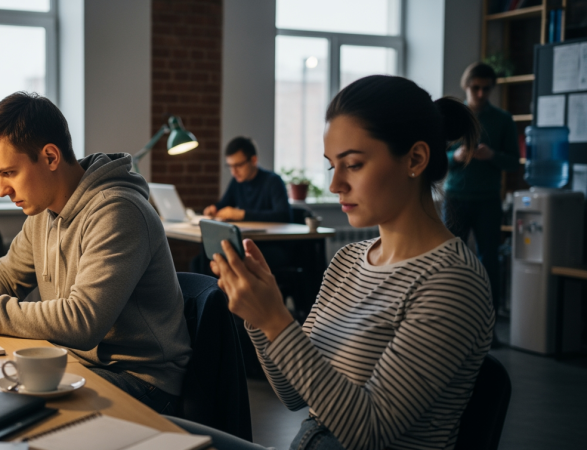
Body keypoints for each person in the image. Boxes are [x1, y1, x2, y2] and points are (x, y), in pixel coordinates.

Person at [169, 76, 495, 450]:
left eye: (353, 164)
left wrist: (277, 321)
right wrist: (261, 317)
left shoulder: (452, 281)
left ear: (416, 159)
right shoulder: (348, 260)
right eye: (331, 167)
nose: (335, 184)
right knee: (156, 431)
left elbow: (368, 431)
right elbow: (293, 394)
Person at [0, 92, 192, 414]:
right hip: (71, 359)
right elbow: (8, 273)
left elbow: (82, 322)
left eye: (9, 173)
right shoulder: (43, 212)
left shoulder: (118, 211)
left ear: (49, 157)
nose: (2, 190)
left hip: (142, 381)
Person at [443, 62, 519, 336]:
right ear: (466, 86)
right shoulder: (453, 117)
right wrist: (456, 157)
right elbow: (434, 158)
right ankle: (448, 324)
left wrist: (492, 156)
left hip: (488, 200)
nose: (480, 93)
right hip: (455, 198)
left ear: (492, 89)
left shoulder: (503, 120)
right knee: (449, 261)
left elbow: (514, 163)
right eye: (475, 87)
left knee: (490, 263)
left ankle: (489, 330)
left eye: (486, 88)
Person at [203, 136, 291, 223]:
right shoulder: (237, 181)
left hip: (271, 236)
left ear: (253, 160)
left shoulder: (273, 181)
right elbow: (224, 204)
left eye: (238, 165)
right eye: (230, 166)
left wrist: (242, 214)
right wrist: (214, 209)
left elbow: (283, 215)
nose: (234, 172)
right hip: (247, 235)